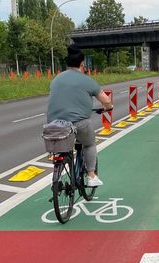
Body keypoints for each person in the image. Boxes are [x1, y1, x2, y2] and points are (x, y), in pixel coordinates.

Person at [47, 44, 113, 186]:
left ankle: (61, 165)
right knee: (89, 144)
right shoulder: (86, 80)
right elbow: (106, 100)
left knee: (65, 148)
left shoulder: (56, 79)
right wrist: (108, 107)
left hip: (54, 124)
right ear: (82, 63)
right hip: (79, 122)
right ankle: (91, 176)